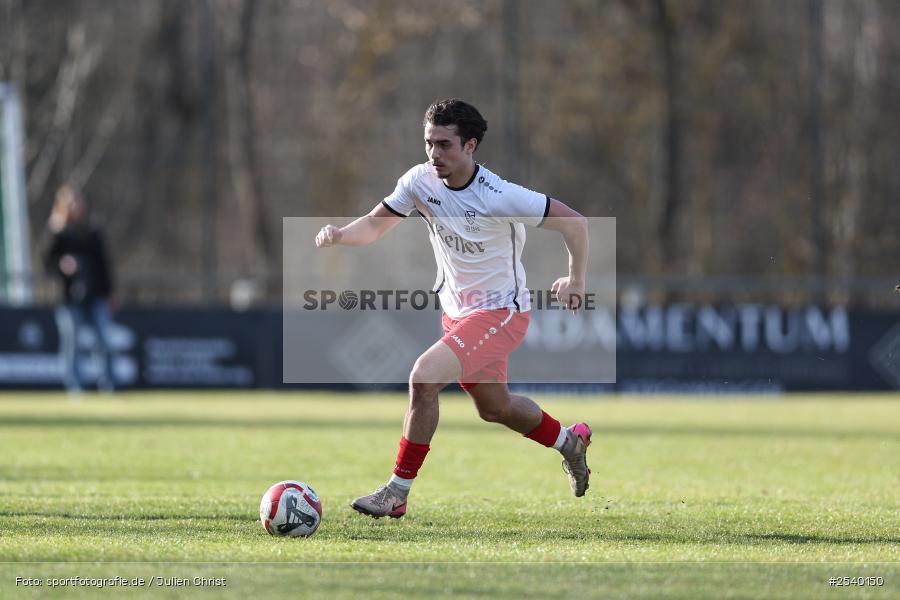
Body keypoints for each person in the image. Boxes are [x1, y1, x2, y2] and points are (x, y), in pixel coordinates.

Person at [315, 99, 591, 519]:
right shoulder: (419, 181)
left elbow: (576, 223)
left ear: (471, 145)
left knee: (423, 378)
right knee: (494, 409)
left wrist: (576, 280)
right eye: (429, 143)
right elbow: (375, 224)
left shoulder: (500, 196)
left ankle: (396, 493)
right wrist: (340, 235)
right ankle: (569, 441)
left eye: (445, 144)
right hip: (457, 314)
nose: (434, 154)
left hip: (502, 314)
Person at [44, 185, 116, 393]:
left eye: (79, 201)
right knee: (72, 342)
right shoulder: (57, 233)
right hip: (68, 298)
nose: (76, 206)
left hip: (96, 295)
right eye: (71, 203)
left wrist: (109, 293)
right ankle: (74, 384)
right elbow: (47, 264)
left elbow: (104, 265)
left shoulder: (92, 232)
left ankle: (108, 382)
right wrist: (63, 265)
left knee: (103, 339)